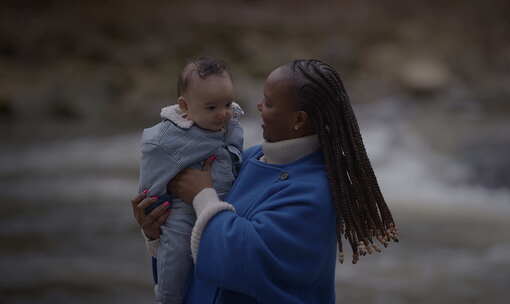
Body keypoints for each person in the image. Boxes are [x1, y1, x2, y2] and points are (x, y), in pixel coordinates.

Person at [132, 59, 398, 304]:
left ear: (298, 120)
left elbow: (241, 261)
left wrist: (203, 195)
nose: (258, 106)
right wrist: (158, 232)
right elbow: (198, 257)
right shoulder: (249, 159)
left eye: (269, 103)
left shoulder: (315, 193)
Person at [137, 56, 244, 304]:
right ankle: (168, 298)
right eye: (211, 108)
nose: (223, 114)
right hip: (182, 209)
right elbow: (151, 174)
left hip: (226, 204)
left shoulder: (232, 125)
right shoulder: (168, 137)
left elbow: (237, 155)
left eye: (227, 104)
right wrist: (153, 206)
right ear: (185, 106)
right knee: (175, 253)